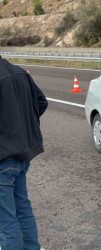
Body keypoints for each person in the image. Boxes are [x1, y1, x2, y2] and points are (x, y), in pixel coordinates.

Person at [0, 56, 48, 250]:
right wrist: (22, 127)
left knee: (6, 221)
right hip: (21, 155)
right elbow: (41, 103)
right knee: (22, 209)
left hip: (2, 159)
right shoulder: (20, 72)